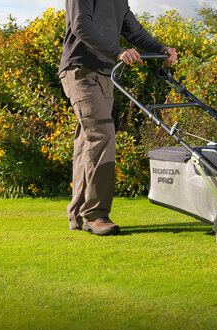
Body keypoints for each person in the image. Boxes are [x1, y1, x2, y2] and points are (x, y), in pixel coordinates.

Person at [59, 0, 177, 236]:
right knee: (101, 134)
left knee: (87, 142)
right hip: (79, 70)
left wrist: (161, 48)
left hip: (104, 74)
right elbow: (80, 25)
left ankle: (78, 215)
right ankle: (95, 214)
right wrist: (118, 52)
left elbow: (134, 31)